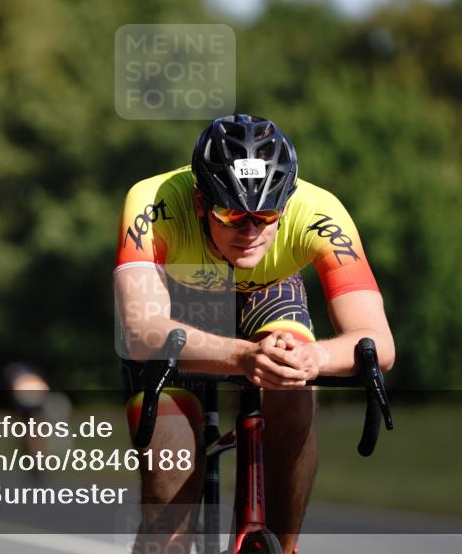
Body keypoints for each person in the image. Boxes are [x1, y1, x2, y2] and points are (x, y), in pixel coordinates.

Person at [115, 114, 395, 554]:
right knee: (172, 469)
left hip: (270, 290)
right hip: (178, 303)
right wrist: (245, 357)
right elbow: (141, 330)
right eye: (232, 215)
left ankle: (283, 547)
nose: (250, 232)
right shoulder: (153, 201)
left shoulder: (319, 211)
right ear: (201, 200)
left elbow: (377, 340)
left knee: (294, 383)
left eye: (266, 216)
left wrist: (313, 360)